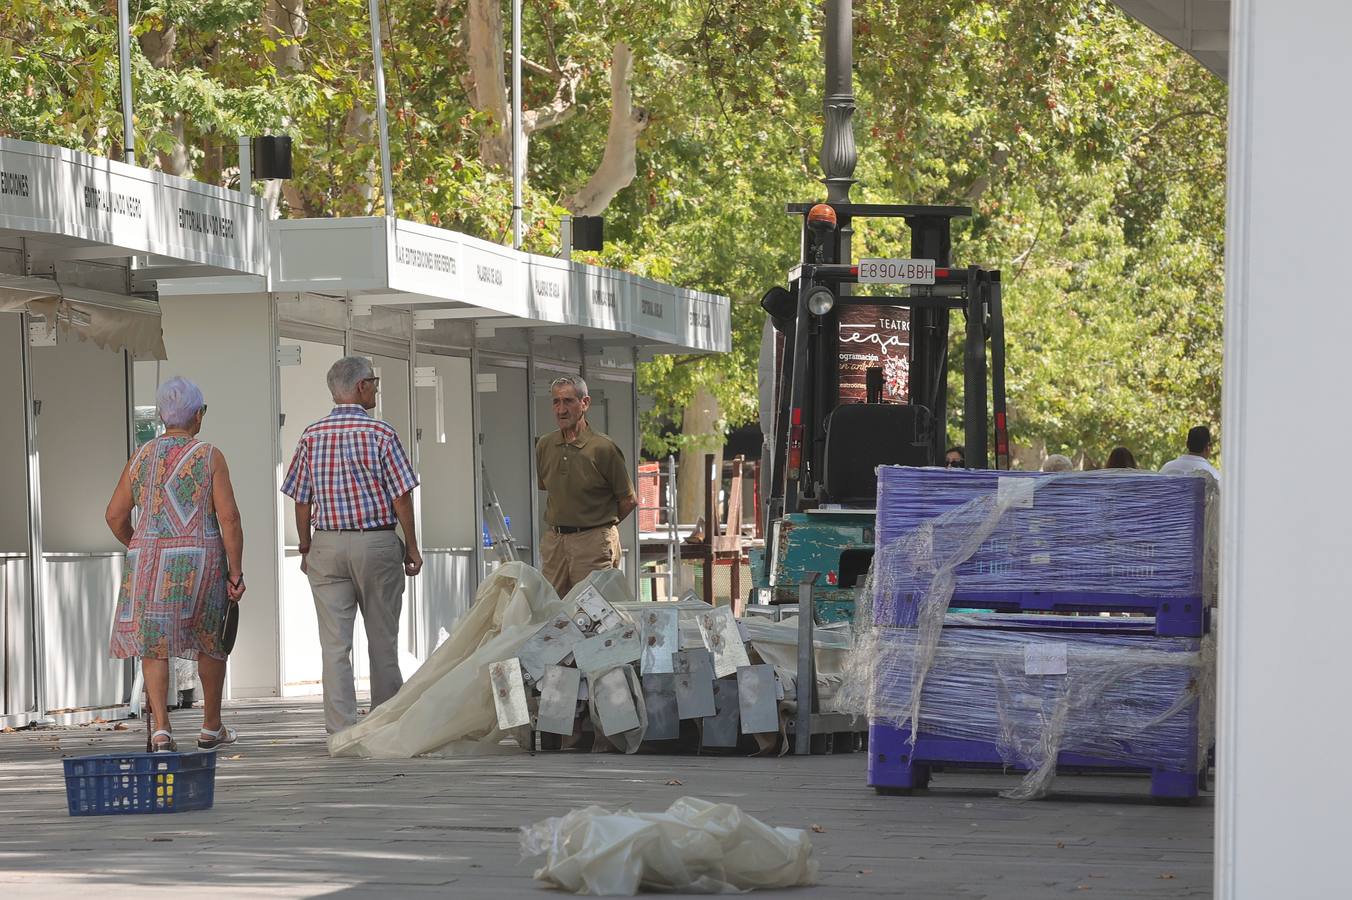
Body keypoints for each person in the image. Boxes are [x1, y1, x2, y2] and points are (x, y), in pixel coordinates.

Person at [281, 357, 423, 735]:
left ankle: (341, 729)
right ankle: (384, 725)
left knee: (334, 645)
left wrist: (306, 546)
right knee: (382, 640)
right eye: (373, 382)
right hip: (375, 542)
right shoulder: (381, 434)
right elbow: (401, 497)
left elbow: (300, 499)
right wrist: (411, 546)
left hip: (326, 544)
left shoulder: (311, 436)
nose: (375, 388)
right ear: (361, 386)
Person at [105, 377, 245, 752]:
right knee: (211, 642)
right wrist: (236, 571)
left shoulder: (140, 456)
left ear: (162, 417)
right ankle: (210, 727)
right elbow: (229, 517)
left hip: (148, 561)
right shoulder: (210, 456)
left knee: (153, 644)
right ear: (197, 416)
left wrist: (139, 542)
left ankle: (161, 730)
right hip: (201, 561)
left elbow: (115, 515)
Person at [536, 375, 638, 598]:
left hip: (593, 542)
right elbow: (547, 486)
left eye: (569, 401)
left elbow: (629, 500)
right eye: (556, 402)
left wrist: (599, 528)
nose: (561, 409)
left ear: (585, 403)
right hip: (555, 542)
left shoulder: (602, 448)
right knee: (552, 612)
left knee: (595, 613)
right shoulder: (545, 444)